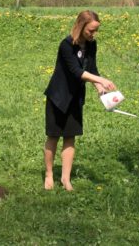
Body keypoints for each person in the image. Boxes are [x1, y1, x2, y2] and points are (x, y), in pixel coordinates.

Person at [43, 10, 116, 191]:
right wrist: (102, 80)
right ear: (81, 26)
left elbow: (91, 68)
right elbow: (77, 72)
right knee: (53, 136)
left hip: (75, 98)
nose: (94, 34)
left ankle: (65, 179)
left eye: (96, 30)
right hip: (58, 97)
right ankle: (49, 174)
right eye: (91, 30)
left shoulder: (91, 45)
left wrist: (100, 89)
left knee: (70, 137)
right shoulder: (66, 45)